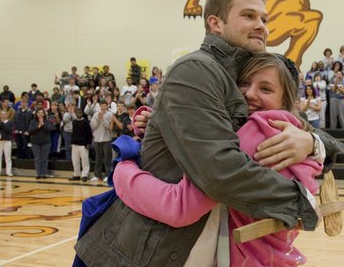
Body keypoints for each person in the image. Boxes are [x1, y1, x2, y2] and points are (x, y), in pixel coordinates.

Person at [113, 52, 324, 266]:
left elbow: (178, 206)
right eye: (244, 83)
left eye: (266, 89)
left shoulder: (256, 135)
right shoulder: (293, 133)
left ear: (285, 100)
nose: (250, 94)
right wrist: (165, 124)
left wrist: (123, 169)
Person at [90, 101, 113, 182]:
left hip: (107, 139)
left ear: (107, 106)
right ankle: (97, 175)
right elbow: (93, 126)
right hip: (97, 139)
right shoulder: (96, 114)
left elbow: (110, 127)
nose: (103, 108)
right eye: (102, 106)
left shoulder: (110, 114)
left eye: (105, 106)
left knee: (107, 159)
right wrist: (98, 120)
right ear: (100, 106)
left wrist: (103, 119)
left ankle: (108, 175)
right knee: (98, 158)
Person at [68, 108, 92, 182]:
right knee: (75, 160)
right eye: (77, 113)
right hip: (75, 144)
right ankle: (76, 174)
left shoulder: (86, 122)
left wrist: (88, 143)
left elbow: (89, 133)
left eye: (79, 113)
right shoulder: (74, 122)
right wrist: (71, 142)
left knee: (85, 161)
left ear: (82, 114)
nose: (78, 114)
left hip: (83, 144)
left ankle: (84, 175)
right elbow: (73, 133)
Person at [29, 108, 52, 179]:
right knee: (37, 158)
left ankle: (44, 173)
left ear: (44, 114)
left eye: (42, 113)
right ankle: (38, 173)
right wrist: (38, 127)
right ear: (36, 114)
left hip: (46, 142)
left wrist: (43, 125)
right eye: (39, 113)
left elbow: (49, 130)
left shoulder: (47, 121)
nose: (40, 114)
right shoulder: (33, 121)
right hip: (35, 142)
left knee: (44, 158)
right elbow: (30, 131)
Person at [0, 110, 14, 177]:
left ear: (6, 115)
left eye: (4, 114)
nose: (2, 115)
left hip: (7, 141)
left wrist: (2, 124)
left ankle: (9, 172)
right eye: (1, 114)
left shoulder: (10, 122)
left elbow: (8, 131)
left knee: (8, 157)